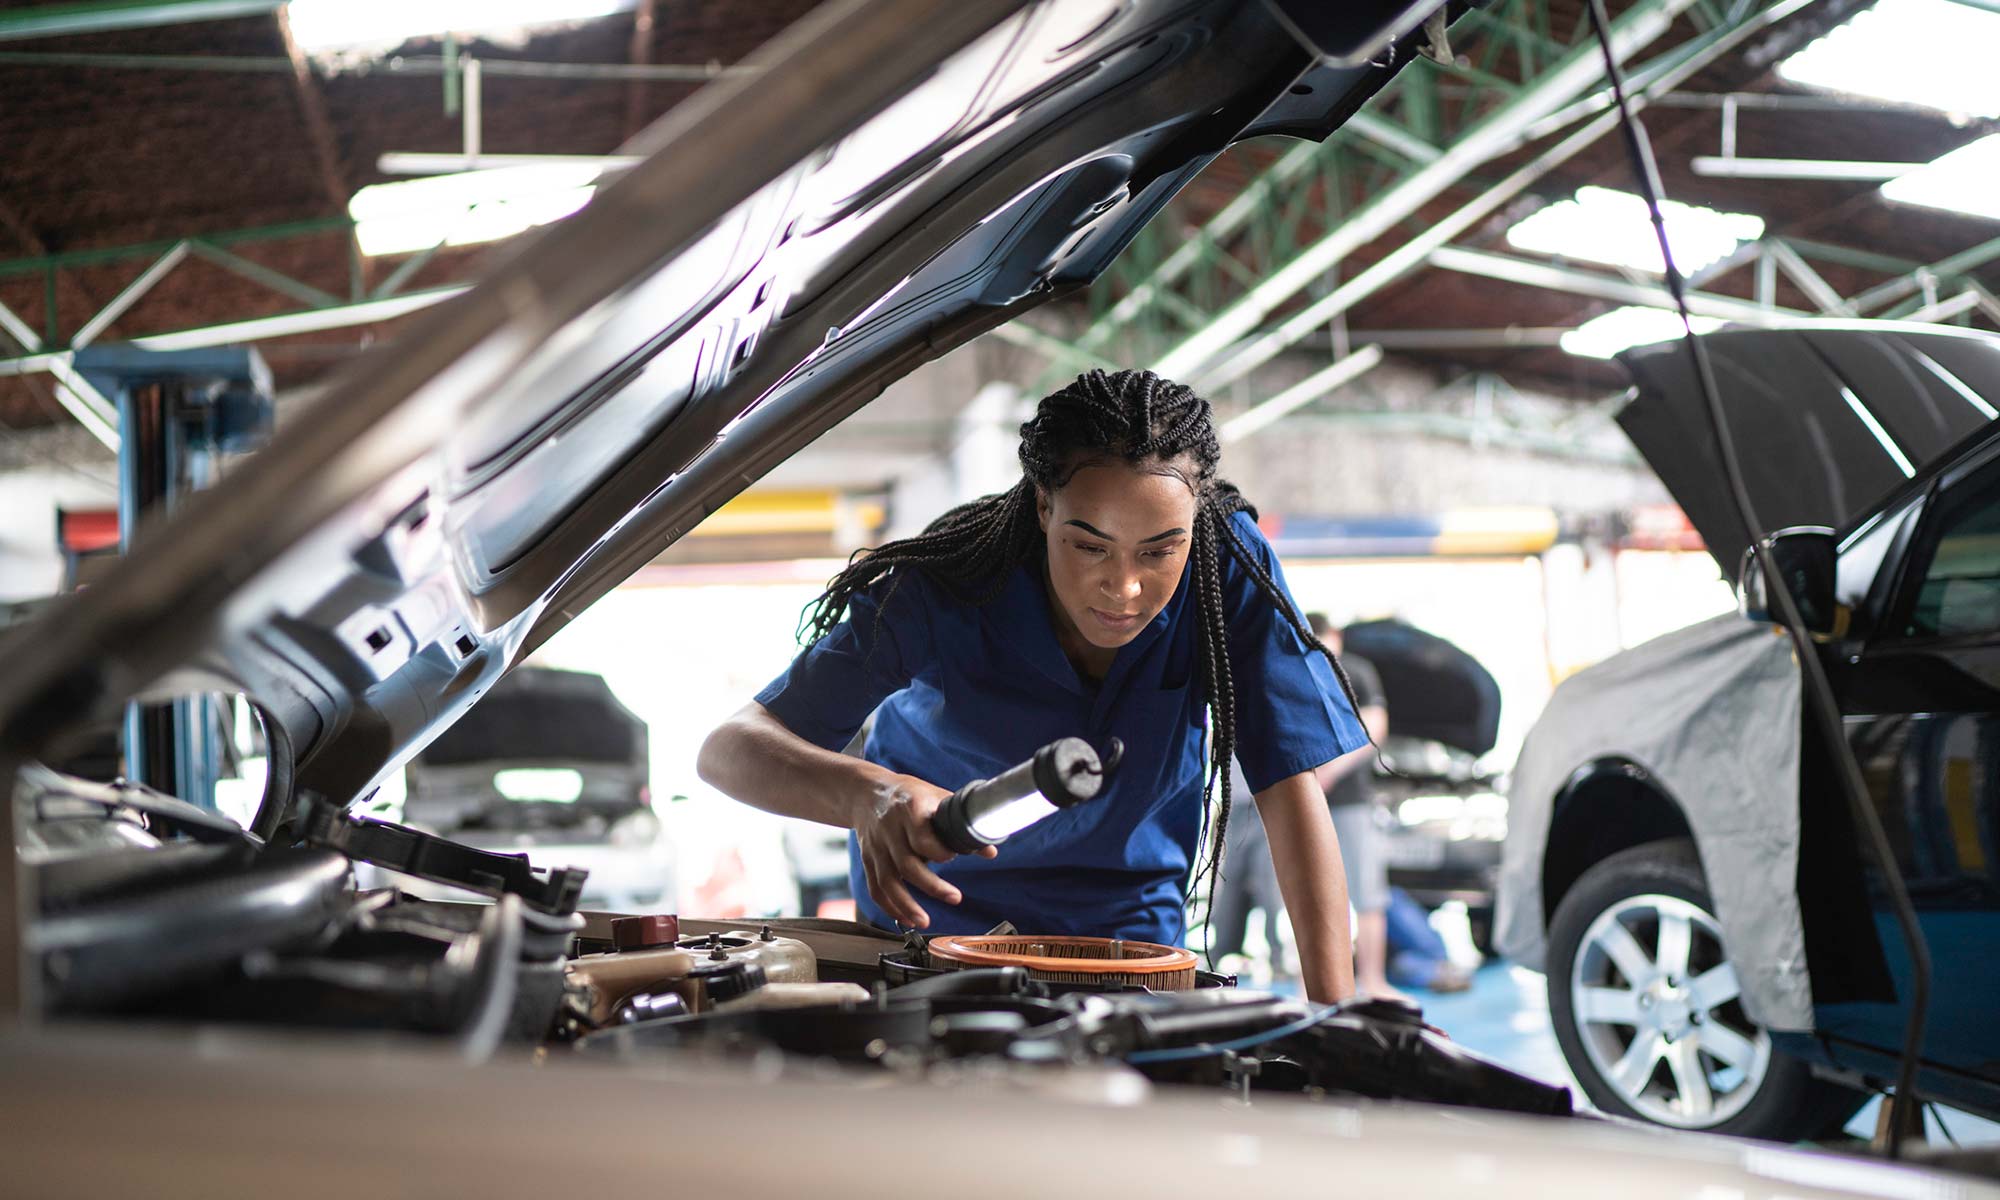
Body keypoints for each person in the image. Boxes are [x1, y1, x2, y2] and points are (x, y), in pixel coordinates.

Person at [698, 369, 1371, 1002]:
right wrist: (866, 795)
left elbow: (1287, 787)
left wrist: (1335, 1017)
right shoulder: (949, 582)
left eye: (1159, 550)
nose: (1125, 587)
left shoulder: (1225, 568)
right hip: (935, 929)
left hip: (1126, 940)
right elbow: (730, 750)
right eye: (1090, 546)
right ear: (1045, 507)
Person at [1308, 613, 1401, 1000]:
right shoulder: (1301, 671)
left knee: (1366, 895)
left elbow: (1374, 729)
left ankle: (1373, 982)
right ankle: (1313, 985)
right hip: (1313, 804)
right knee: (1313, 896)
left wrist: (1330, 770)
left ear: (1336, 637)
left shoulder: (1356, 671)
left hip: (1351, 802)